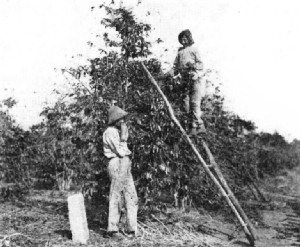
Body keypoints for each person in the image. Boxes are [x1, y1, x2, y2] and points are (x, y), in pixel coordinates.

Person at [103, 105, 138, 240]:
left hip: (124, 163)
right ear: (115, 119)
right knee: (116, 196)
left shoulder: (116, 131)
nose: (123, 121)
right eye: (121, 118)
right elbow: (121, 151)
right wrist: (124, 137)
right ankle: (112, 229)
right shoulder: (110, 132)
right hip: (117, 162)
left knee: (131, 196)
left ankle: (131, 229)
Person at [170, 29, 206, 136]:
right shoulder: (180, 52)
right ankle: (192, 126)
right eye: (181, 39)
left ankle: (198, 126)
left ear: (189, 39)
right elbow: (175, 67)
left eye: (185, 38)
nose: (183, 40)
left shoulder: (193, 50)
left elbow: (201, 65)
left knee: (194, 103)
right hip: (184, 80)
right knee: (186, 104)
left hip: (194, 78)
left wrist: (192, 65)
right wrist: (169, 74)